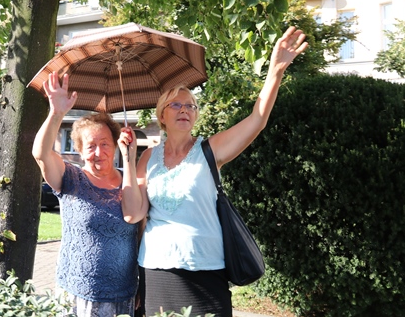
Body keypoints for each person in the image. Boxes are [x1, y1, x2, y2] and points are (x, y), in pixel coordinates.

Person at [118, 26, 308, 316]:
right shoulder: (147, 158)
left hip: (206, 269)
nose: (185, 109)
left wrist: (276, 71)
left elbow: (257, 120)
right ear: (162, 114)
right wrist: (128, 159)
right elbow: (133, 214)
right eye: (176, 104)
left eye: (191, 106)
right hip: (156, 269)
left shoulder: (209, 149)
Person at [32, 71, 139, 317]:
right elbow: (41, 154)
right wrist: (56, 113)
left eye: (105, 144)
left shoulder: (130, 179)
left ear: (115, 146)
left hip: (123, 294)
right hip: (77, 294)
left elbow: (140, 232)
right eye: (90, 146)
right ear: (80, 151)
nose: (98, 152)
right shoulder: (71, 178)